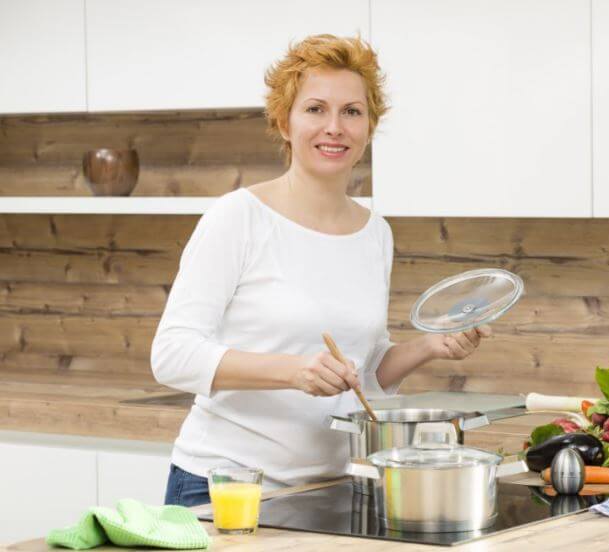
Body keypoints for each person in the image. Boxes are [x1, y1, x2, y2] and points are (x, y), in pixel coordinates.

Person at [151, 34, 492, 507]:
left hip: (330, 487)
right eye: (315, 109)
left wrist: (429, 347)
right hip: (228, 488)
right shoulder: (239, 217)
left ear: (370, 126)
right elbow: (172, 355)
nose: (334, 127)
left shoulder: (376, 233)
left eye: (352, 111)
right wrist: (294, 372)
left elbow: (362, 371)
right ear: (284, 122)